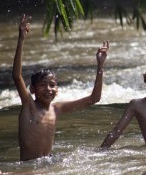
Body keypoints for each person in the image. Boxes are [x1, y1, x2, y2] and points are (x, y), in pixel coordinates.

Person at [13, 14, 109, 161]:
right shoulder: (29, 106)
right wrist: (21, 40)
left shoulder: (56, 109)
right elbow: (16, 76)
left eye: (52, 85)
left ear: (57, 90)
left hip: (48, 163)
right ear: (32, 89)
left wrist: (100, 65)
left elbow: (94, 99)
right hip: (29, 168)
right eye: (42, 85)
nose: (48, 89)